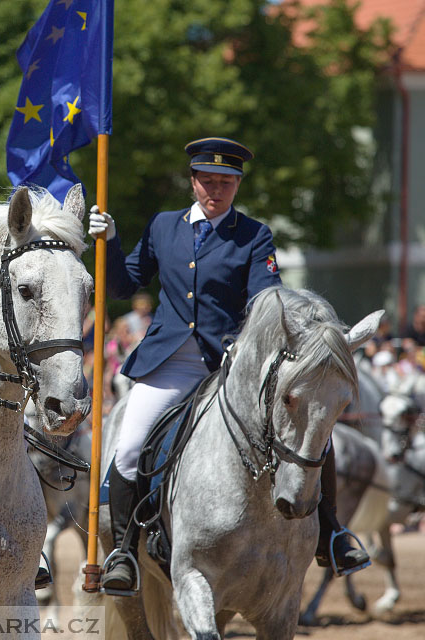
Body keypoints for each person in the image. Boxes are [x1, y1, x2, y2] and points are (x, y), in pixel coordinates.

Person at [89, 137, 369, 595]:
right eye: (207, 181)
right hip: (170, 364)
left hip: (230, 366)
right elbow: (122, 283)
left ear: (237, 184)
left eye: (225, 182)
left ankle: (332, 533)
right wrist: (109, 240)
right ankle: (124, 550)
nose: (215, 190)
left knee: (313, 432)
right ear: (192, 180)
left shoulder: (254, 235)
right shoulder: (164, 226)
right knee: (129, 447)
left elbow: (266, 296)